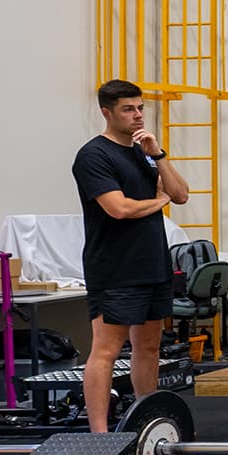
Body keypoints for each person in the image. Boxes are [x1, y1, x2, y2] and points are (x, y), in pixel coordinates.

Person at [72, 80, 190, 432]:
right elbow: (119, 209)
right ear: (106, 113)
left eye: (140, 108)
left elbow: (180, 194)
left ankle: (147, 420)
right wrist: (159, 202)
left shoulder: (143, 152)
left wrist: (158, 154)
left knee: (149, 346)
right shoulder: (94, 155)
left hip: (152, 263)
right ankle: (99, 433)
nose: (137, 115)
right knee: (106, 349)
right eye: (128, 109)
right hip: (114, 267)